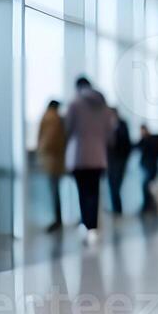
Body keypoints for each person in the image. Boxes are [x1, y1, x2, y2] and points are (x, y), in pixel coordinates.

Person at [65, 77, 110, 244]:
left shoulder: (74, 104)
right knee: (94, 192)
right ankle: (93, 228)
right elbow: (109, 132)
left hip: (80, 156)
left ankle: (86, 225)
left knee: (83, 193)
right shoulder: (103, 106)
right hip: (98, 156)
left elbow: (68, 129)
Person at [37, 100, 66, 232]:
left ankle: (57, 220)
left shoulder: (49, 117)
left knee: (54, 191)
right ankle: (58, 219)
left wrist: (41, 151)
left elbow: (47, 140)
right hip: (55, 159)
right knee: (55, 191)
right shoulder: (55, 118)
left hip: (50, 159)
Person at [107, 111, 132, 214]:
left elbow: (126, 143)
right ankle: (115, 209)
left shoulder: (122, 125)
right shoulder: (107, 126)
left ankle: (117, 209)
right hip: (111, 161)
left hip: (120, 160)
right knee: (112, 186)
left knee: (116, 186)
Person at [137, 125, 158, 215]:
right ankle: (148, 206)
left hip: (152, 168)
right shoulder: (143, 140)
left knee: (145, 186)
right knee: (145, 186)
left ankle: (148, 207)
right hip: (146, 168)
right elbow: (135, 146)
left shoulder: (153, 139)